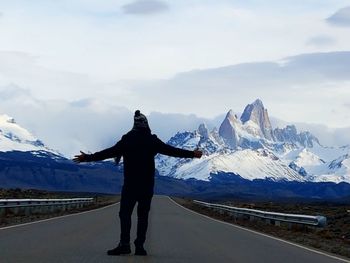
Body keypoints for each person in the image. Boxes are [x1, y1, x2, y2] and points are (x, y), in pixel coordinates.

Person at [73, 110, 202, 256]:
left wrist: (88, 158)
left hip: (130, 185)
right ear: (146, 124)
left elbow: (108, 152)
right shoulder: (152, 140)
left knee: (125, 214)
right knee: (143, 215)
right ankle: (139, 246)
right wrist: (192, 154)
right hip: (147, 185)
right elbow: (171, 151)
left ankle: (125, 244)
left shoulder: (127, 139)